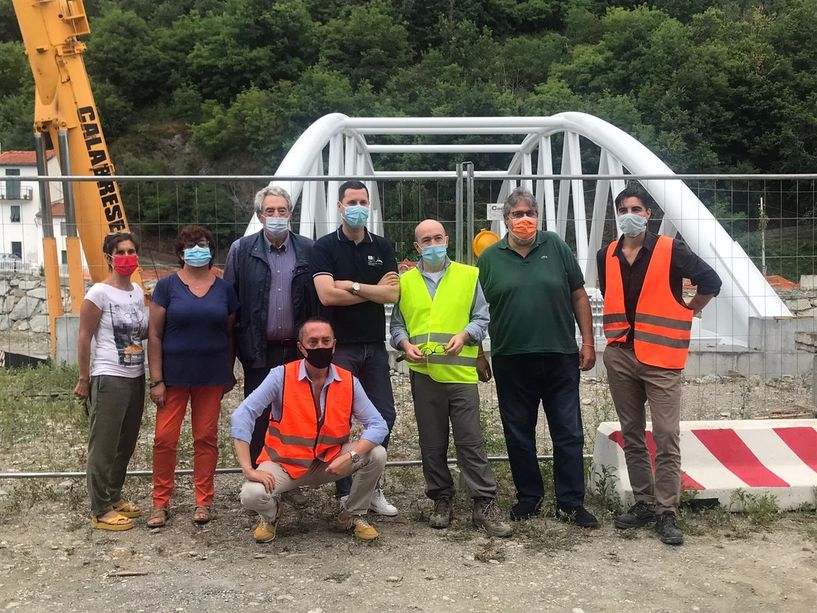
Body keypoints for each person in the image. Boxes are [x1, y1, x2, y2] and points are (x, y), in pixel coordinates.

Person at [598, 184, 721, 546]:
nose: (629, 215)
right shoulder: (607, 254)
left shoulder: (669, 249)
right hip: (621, 354)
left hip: (661, 358)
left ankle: (667, 511)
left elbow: (710, 281)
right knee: (632, 434)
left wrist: (687, 311)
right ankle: (644, 503)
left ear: (648, 214)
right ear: (617, 215)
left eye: (636, 209)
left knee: (666, 436)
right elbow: (611, 296)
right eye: (623, 210)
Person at [477, 188, 599, 528]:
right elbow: (475, 311)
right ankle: (528, 498)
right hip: (511, 358)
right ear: (505, 220)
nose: (524, 220)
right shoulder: (489, 259)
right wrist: (479, 354)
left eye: (529, 212)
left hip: (560, 354)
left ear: (538, 215)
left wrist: (587, 342)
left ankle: (571, 504)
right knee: (518, 433)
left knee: (569, 432)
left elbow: (578, 294)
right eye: (517, 214)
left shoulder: (556, 247)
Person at [390, 219, 512, 537]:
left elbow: (482, 316)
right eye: (426, 240)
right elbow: (397, 326)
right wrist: (404, 344)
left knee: (470, 441)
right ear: (417, 247)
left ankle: (483, 503)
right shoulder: (406, 281)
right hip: (424, 373)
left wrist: (465, 334)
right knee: (432, 443)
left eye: (438, 238)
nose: (433, 244)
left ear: (448, 239)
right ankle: (441, 498)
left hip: (459, 373)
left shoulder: (468, 276)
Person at [233, 318, 389, 542]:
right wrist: (248, 469)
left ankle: (352, 514)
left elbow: (378, 424)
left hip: (329, 461)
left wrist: (351, 456)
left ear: (334, 345)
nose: (320, 347)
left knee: (376, 453)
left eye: (325, 341)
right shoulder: (281, 376)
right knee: (251, 494)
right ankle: (271, 516)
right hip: (285, 464)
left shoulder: (348, 381)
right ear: (301, 347)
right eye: (312, 342)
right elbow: (242, 414)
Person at [310, 180, 399, 515]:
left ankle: (371, 487)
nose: (358, 207)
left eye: (363, 201)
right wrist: (371, 290)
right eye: (352, 201)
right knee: (339, 420)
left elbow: (393, 294)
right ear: (340, 206)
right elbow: (326, 295)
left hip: (374, 346)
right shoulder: (324, 247)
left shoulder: (383, 245)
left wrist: (353, 285)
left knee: (384, 415)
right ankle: (346, 492)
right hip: (341, 347)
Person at [223, 186, 321, 471]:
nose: (276, 216)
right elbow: (231, 305)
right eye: (270, 211)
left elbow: (317, 302)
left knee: (295, 416)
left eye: (282, 210)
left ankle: (291, 477)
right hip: (258, 349)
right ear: (259, 215)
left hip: (297, 351)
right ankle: (259, 477)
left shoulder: (309, 250)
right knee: (259, 416)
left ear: (290, 214)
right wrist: (229, 360)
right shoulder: (241, 251)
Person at [146, 225, 238, 528]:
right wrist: (156, 379)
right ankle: (160, 503)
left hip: (211, 377)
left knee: (206, 438)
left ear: (211, 250)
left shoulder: (224, 289)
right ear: (180, 252)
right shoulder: (167, 287)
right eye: (191, 245)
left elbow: (230, 334)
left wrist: (228, 371)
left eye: (203, 244)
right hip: (172, 378)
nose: (197, 249)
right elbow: (155, 335)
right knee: (164, 439)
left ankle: (203, 501)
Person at [74, 231, 147, 531]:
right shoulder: (98, 294)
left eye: (131, 251)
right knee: (103, 444)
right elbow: (84, 336)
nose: (127, 257)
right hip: (109, 376)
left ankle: (114, 495)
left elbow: (141, 333)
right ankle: (100, 508)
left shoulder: (138, 292)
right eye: (121, 252)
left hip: (136, 375)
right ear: (109, 257)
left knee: (125, 442)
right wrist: (84, 377)